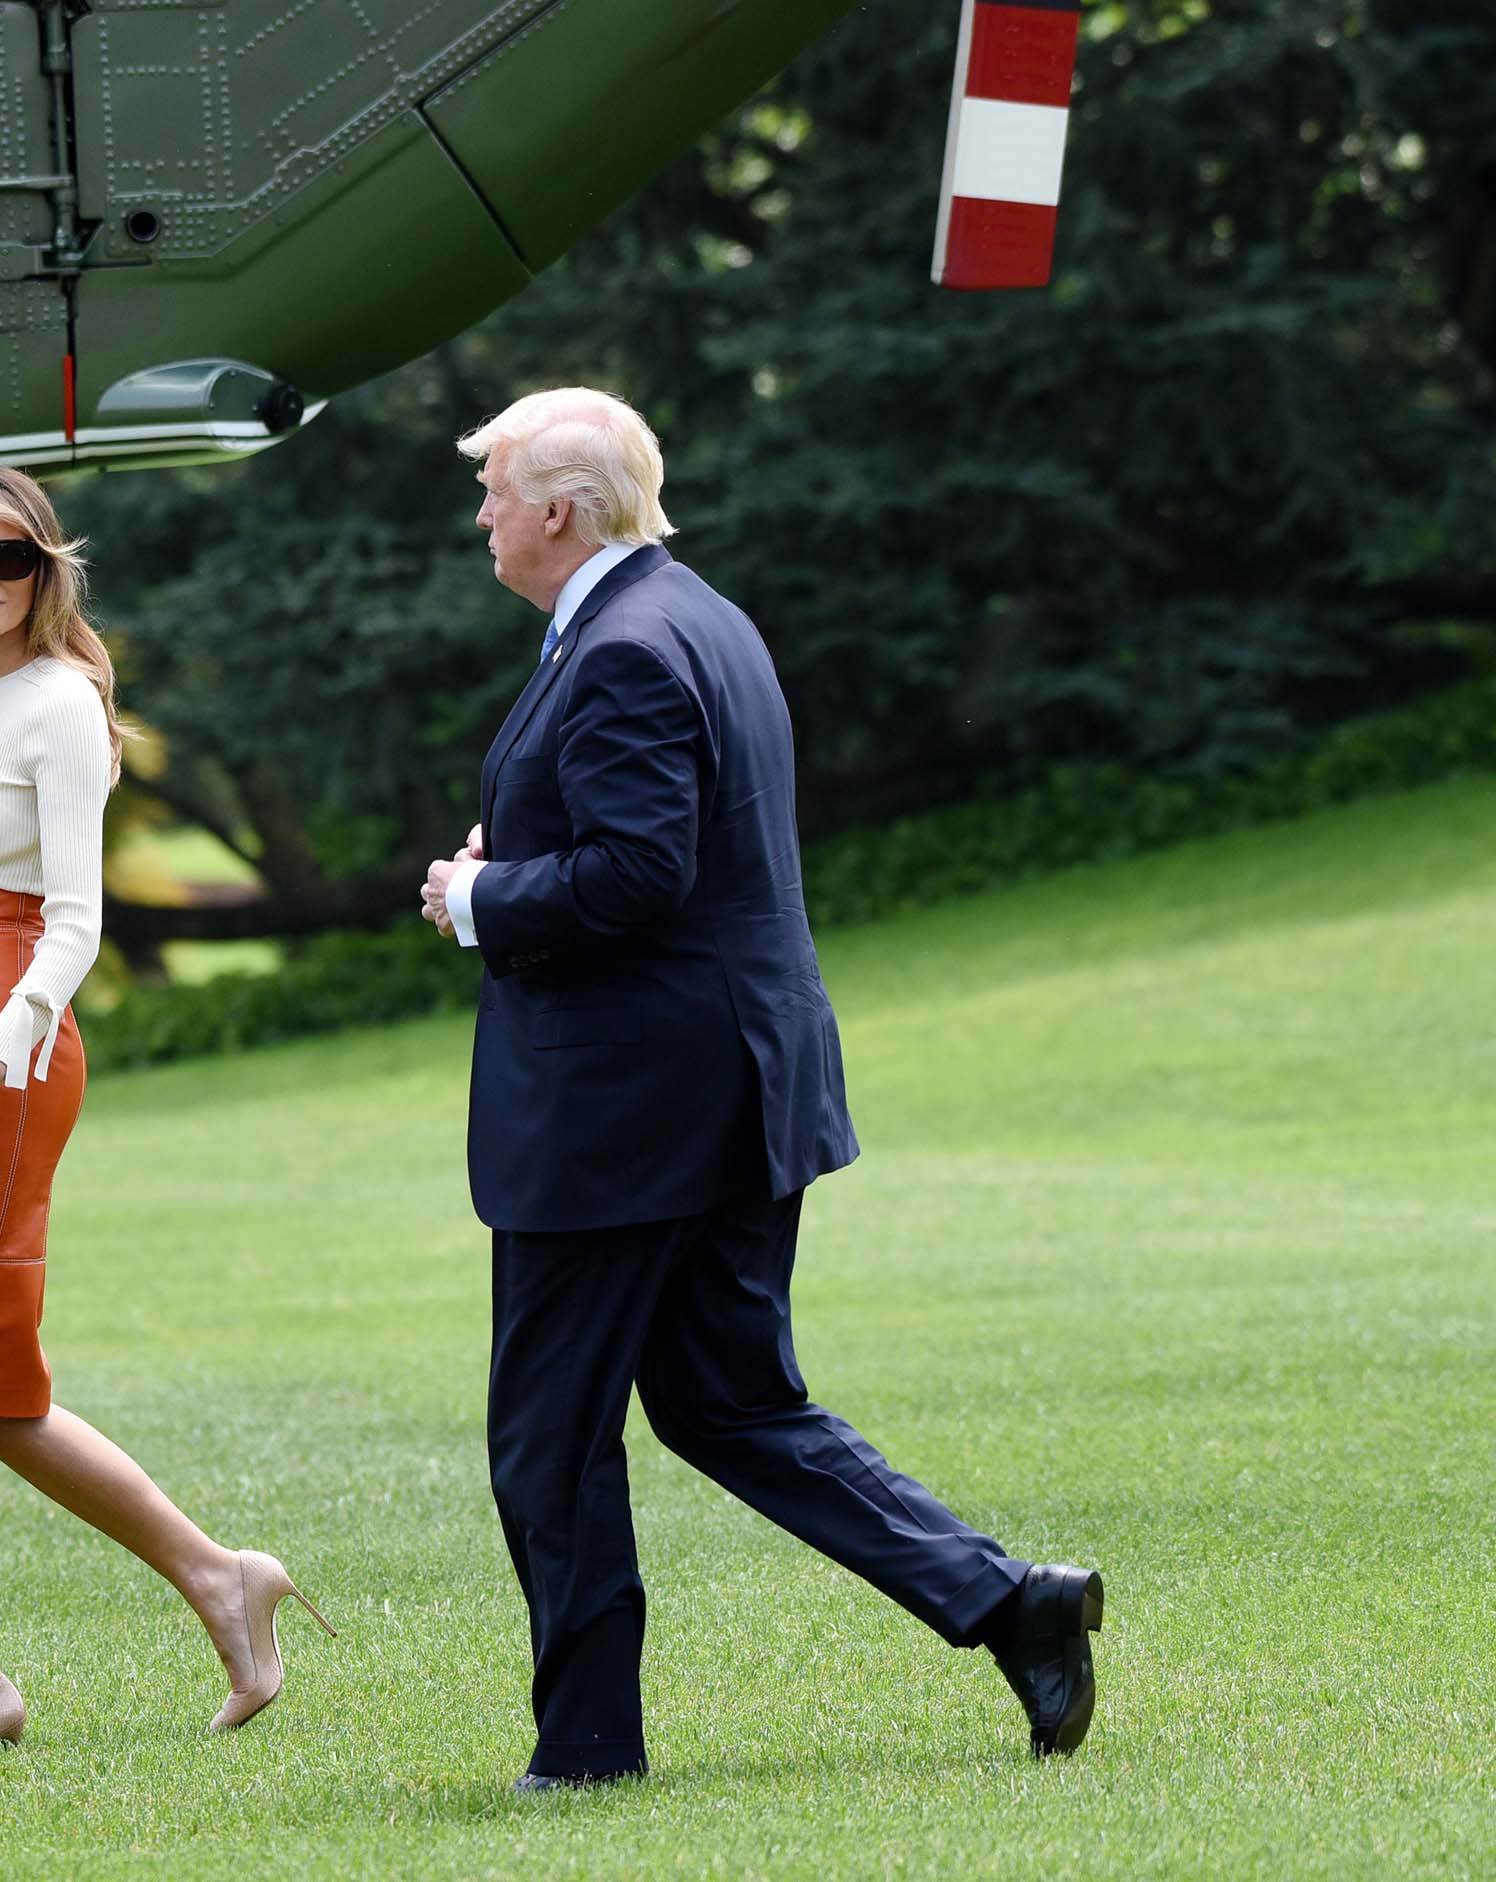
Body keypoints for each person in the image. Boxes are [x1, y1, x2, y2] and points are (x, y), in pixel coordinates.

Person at [417, 388, 1102, 1790]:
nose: (481, 516)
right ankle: (1007, 1600)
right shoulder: (697, 616)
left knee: (549, 1435)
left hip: (627, 1118)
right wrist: (522, 859)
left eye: (494, 492)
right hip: (723, 1091)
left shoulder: (625, 646)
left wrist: (481, 897)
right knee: (731, 1404)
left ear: (560, 510)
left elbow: (639, 873)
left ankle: (587, 1748)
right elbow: (661, 842)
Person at [0, 463, 330, 1764]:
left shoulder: (60, 705)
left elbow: (76, 924)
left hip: (8, 1055)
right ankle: (222, 1579)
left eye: (9, 557)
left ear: (46, 571)